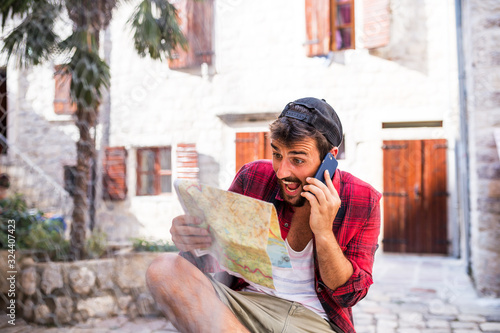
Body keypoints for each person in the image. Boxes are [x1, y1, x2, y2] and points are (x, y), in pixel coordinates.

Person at [146, 97, 382, 333]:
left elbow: (348, 296)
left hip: (313, 319)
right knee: (163, 269)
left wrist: (323, 232)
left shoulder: (363, 199)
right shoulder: (254, 177)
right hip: (243, 305)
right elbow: (213, 262)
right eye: (277, 154)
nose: (282, 171)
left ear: (330, 157)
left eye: (298, 160)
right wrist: (193, 241)